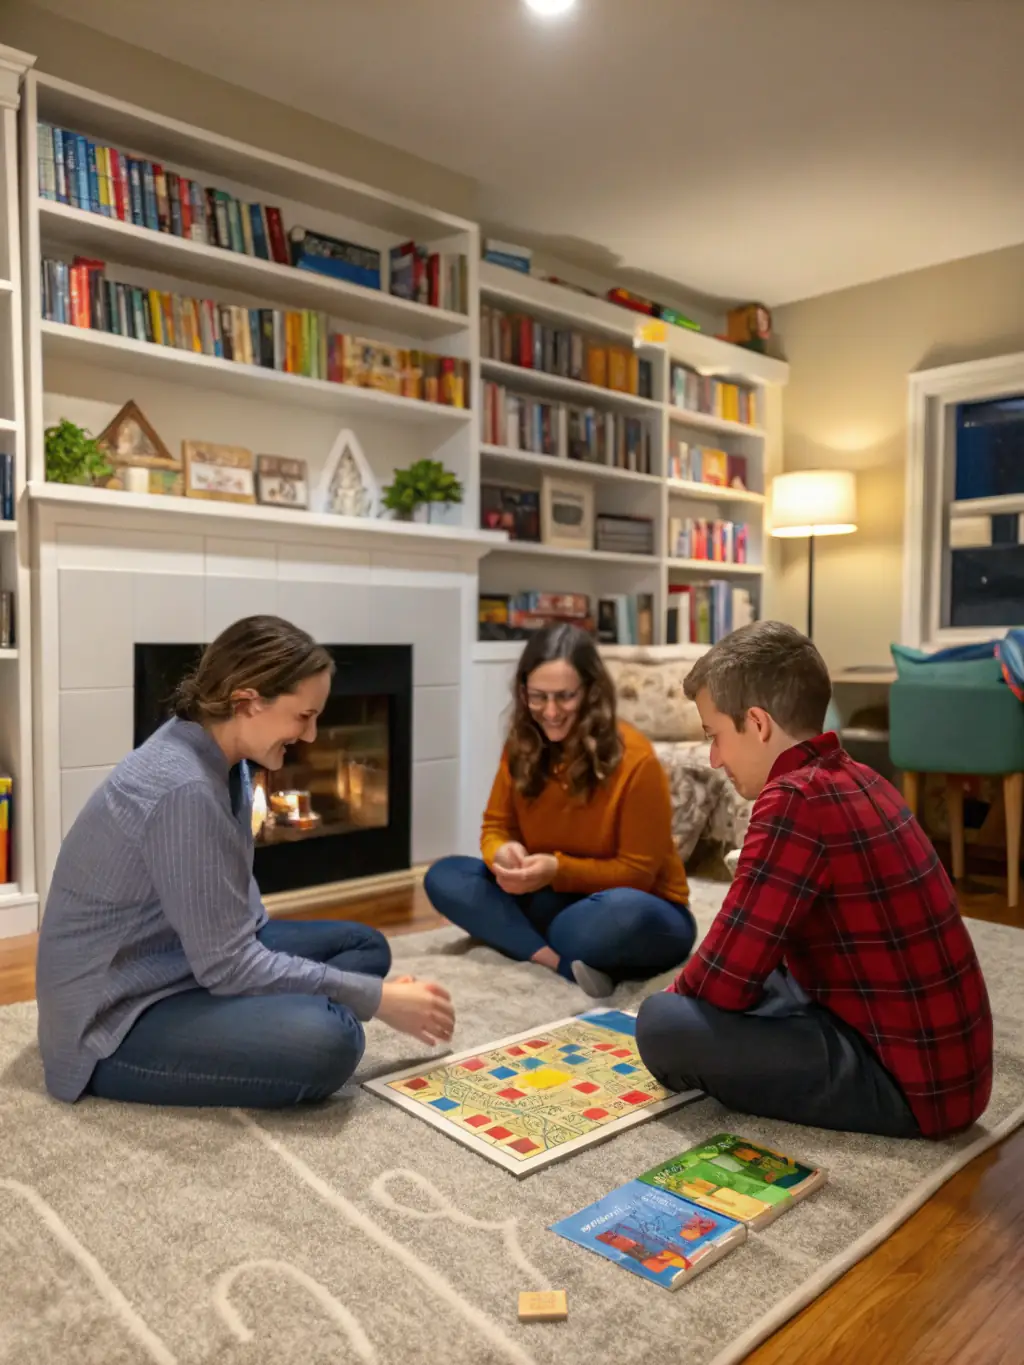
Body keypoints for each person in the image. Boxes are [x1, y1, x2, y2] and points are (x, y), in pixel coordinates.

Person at [36, 614, 454, 1108]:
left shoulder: (216, 751)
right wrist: (376, 1000)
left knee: (365, 948)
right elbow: (229, 964)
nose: (314, 735)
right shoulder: (184, 788)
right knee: (332, 1040)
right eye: (304, 716)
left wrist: (356, 990)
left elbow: (233, 926)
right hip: (114, 1018)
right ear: (247, 701)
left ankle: (278, 1012)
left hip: (183, 959)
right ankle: (290, 1016)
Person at [635, 621, 993, 1140]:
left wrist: (674, 998)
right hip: (952, 1072)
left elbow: (720, 984)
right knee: (765, 973)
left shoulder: (792, 801)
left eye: (715, 736)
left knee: (663, 1023)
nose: (713, 758)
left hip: (911, 1089)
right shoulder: (863, 775)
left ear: (757, 724)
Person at [425, 624, 696, 997]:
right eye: (537, 697)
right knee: (445, 876)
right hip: (551, 897)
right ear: (523, 693)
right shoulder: (521, 746)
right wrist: (502, 853)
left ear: (591, 692)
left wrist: (557, 869)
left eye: (565, 697)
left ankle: (530, 937)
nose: (550, 712)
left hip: (639, 908)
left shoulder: (636, 760)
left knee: (615, 914)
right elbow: (495, 827)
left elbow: (637, 873)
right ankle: (559, 961)